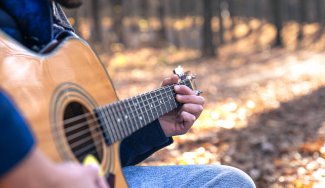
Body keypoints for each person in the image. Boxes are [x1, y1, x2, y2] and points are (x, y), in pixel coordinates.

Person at [0, 0, 256, 187]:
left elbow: (81, 151)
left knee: (229, 182)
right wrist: (44, 175)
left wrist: (157, 125)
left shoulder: (52, 24)